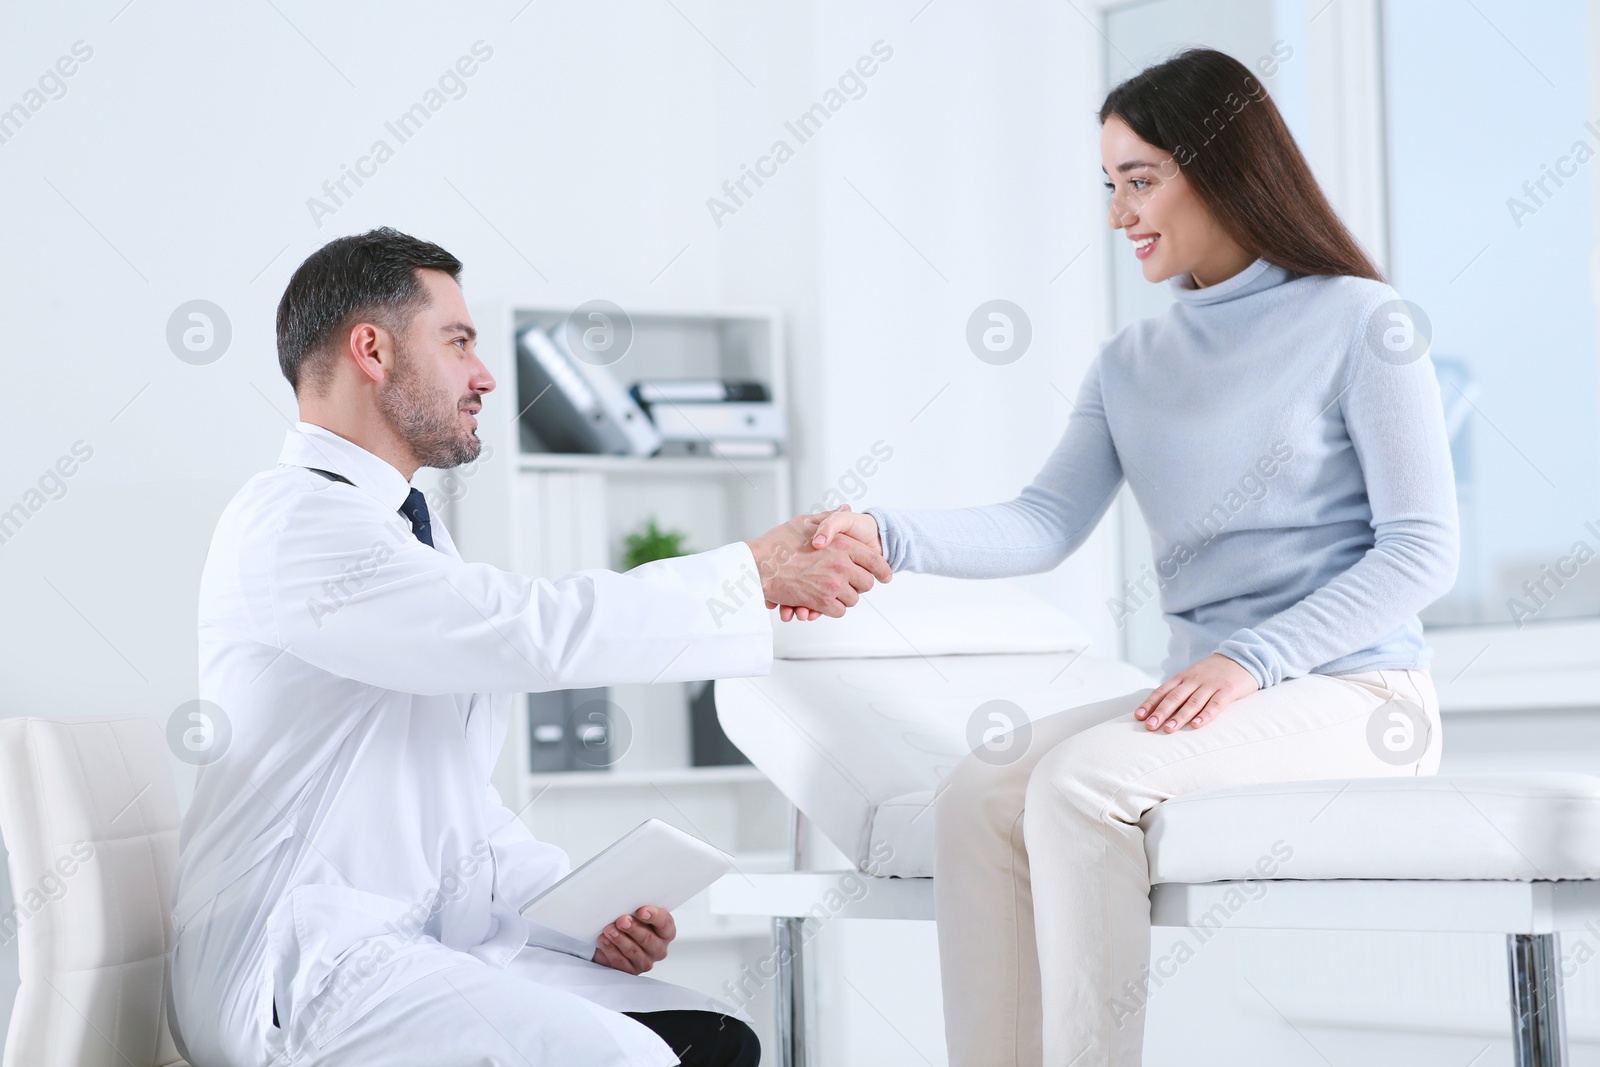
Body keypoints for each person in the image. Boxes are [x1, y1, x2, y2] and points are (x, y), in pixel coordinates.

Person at [801, 48, 1459, 1066]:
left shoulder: (1359, 322)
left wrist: (1251, 658)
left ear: (1224, 167)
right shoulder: (1130, 363)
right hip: (1218, 699)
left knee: (1078, 782)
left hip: (1359, 694)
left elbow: (1420, 552)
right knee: (979, 787)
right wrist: (885, 531)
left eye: (1139, 180)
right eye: (1109, 186)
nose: (1118, 214)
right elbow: (1040, 520)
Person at [168, 227, 891, 1067]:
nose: (484, 375)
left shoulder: (404, 530)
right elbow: (531, 629)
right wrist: (751, 573)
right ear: (371, 348)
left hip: (403, 941)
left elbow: (448, 796)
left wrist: (573, 913)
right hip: (301, 969)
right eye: (460, 341)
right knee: (635, 1061)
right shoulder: (293, 522)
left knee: (713, 1038)